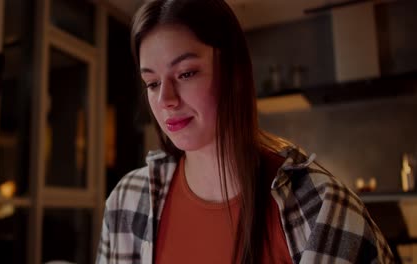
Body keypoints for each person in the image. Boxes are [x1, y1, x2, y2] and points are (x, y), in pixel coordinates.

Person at [96, 0, 394, 263]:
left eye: (186, 73)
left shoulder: (321, 209)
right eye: (152, 83)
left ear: (233, 72)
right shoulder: (126, 201)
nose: (165, 100)